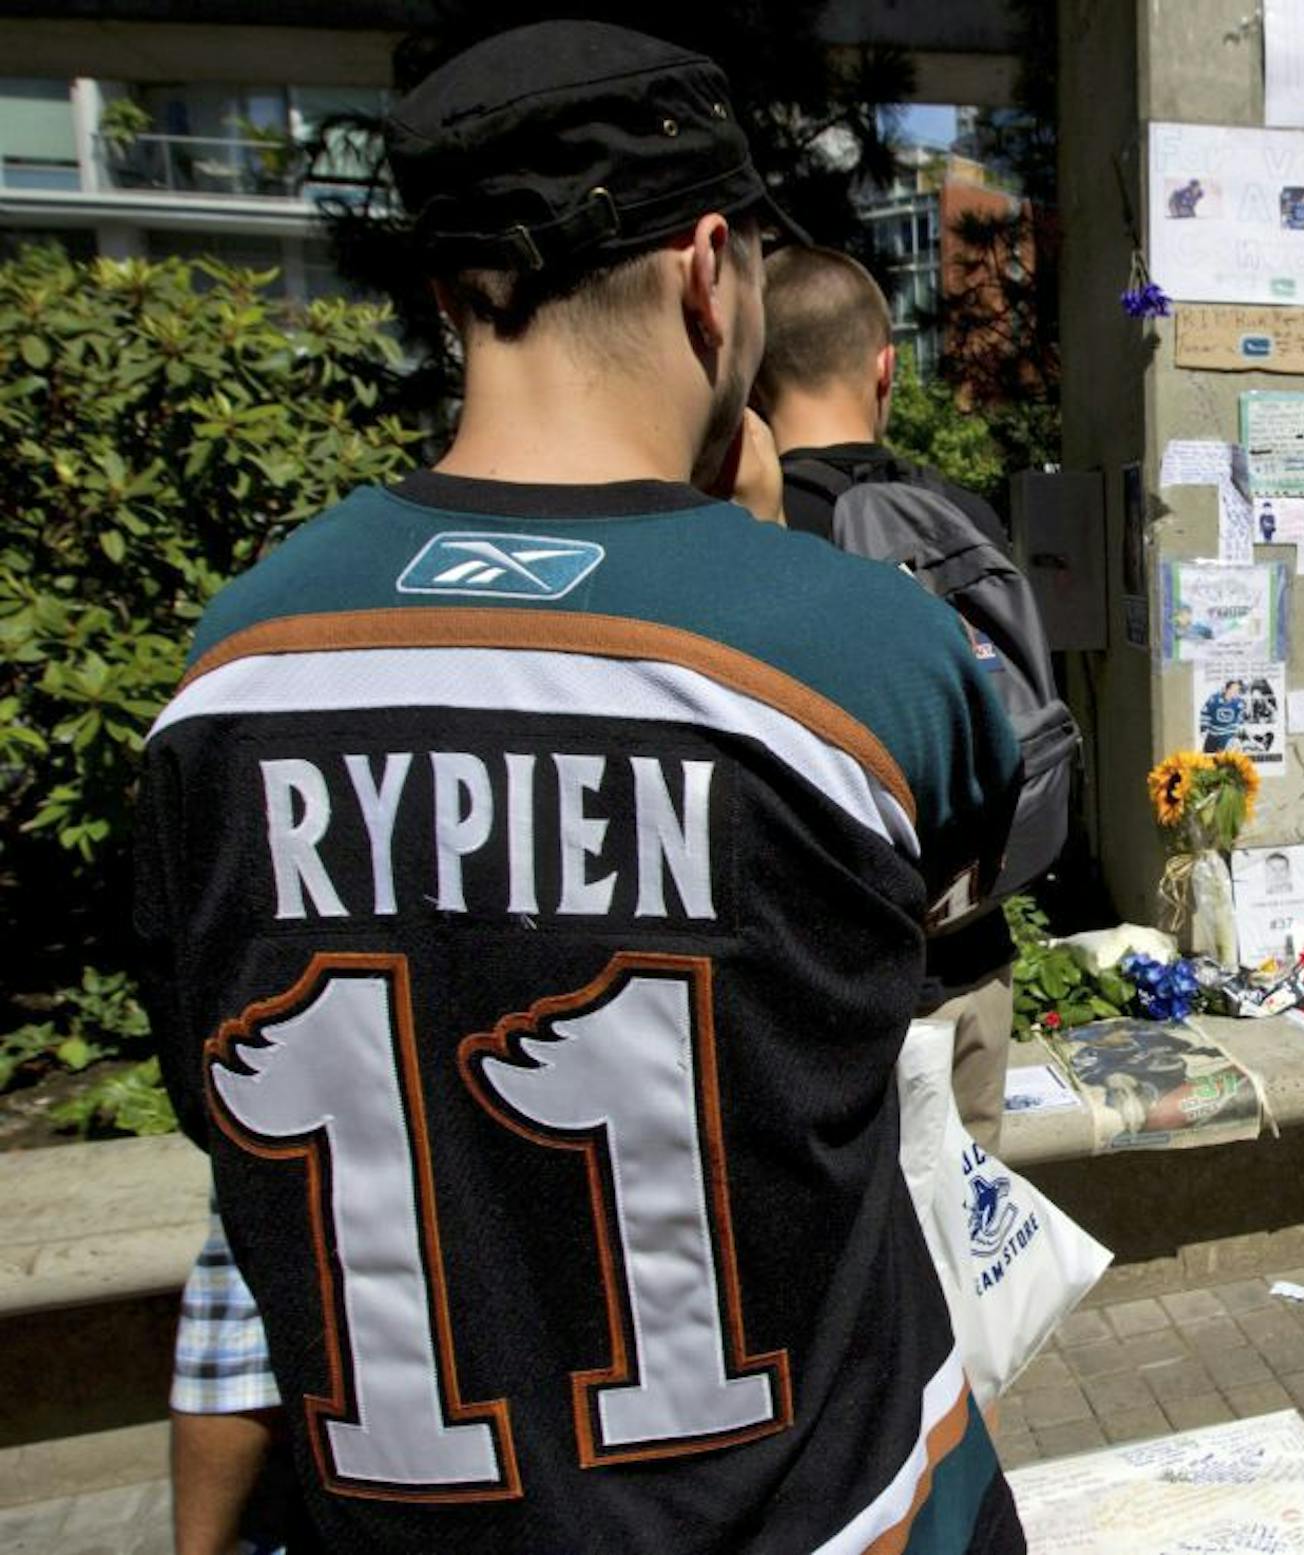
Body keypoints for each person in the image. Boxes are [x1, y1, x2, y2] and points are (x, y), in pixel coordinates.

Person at [136, 24, 1024, 1555]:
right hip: (834, 1513)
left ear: (447, 295)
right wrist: (760, 552)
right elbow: (931, 894)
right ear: (709, 274)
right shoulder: (862, 655)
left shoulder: (232, 671)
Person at [755, 243, 1074, 1157]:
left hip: (828, 989)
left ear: (752, 375)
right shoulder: (960, 515)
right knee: (966, 1230)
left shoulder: (754, 532)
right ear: (886, 367)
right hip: (973, 963)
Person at [1200, 677, 1248, 752]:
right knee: (1208, 756)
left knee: (1222, 757)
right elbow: (1205, 713)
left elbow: (1240, 718)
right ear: (1226, 689)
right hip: (1213, 734)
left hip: (1228, 736)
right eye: (1233, 689)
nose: (1236, 692)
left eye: (1237, 690)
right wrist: (1203, 729)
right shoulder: (1214, 699)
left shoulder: (1239, 702)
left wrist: (1236, 733)